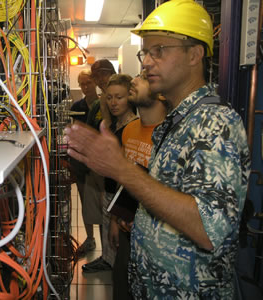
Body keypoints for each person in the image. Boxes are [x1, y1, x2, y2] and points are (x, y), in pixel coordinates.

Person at [64, 0, 251, 298]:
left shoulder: (215, 123)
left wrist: (122, 169)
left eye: (159, 51)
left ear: (195, 54)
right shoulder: (174, 122)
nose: (146, 62)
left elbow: (209, 229)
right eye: (145, 52)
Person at [108, 71, 167, 299]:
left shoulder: (169, 136)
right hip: (126, 232)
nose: (133, 80)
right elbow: (124, 180)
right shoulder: (130, 130)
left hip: (155, 239)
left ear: (161, 93)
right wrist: (114, 219)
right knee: (121, 286)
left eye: (143, 77)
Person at [83, 73, 137, 273]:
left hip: (122, 196)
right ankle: (108, 261)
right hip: (109, 190)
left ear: (130, 98)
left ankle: (116, 269)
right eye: (110, 97)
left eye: (119, 97)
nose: (114, 102)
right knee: (108, 233)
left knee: (119, 243)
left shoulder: (133, 127)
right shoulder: (112, 125)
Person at [77, 59, 116, 271]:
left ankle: (113, 258)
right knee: (102, 213)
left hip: (115, 167)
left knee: (114, 213)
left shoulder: (122, 98)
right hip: (97, 168)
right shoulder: (96, 105)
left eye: (100, 74)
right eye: (95, 76)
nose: (98, 80)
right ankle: (106, 256)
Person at [69, 70, 99, 256]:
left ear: (94, 82)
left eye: (88, 83)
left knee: (102, 204)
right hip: (81, 162)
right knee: (83, 199)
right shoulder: (77, 106)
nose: (85, 87)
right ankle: (90, 238)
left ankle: (108, 248)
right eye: (82, 84)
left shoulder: (103, 105)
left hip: (99, 163)